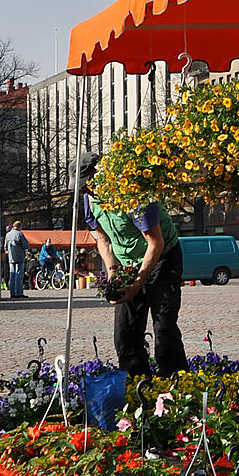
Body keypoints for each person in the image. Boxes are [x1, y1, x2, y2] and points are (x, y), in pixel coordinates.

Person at [74, 152, 188, 379]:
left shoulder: (132, 194)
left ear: (101, 176)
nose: (84, 191)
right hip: (127, 263)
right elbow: (103, 240)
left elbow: (155, 242)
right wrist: (114, 275)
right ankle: (136, 386)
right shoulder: (88, 201)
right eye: (81, 187)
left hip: (162, 257)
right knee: (125, 333)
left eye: (87, 185)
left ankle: (176, 385)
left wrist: (138, 282)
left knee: (164, 326)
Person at [4, 220, 29, 298]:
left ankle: (12, 293)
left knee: (12, 275)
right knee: (19, 275)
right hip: (19, 257)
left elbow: (5, 246)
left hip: (11, 257)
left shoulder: (8, 235)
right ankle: (18, 292)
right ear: (19, 226)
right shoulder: (20, 234)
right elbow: (25, 245)